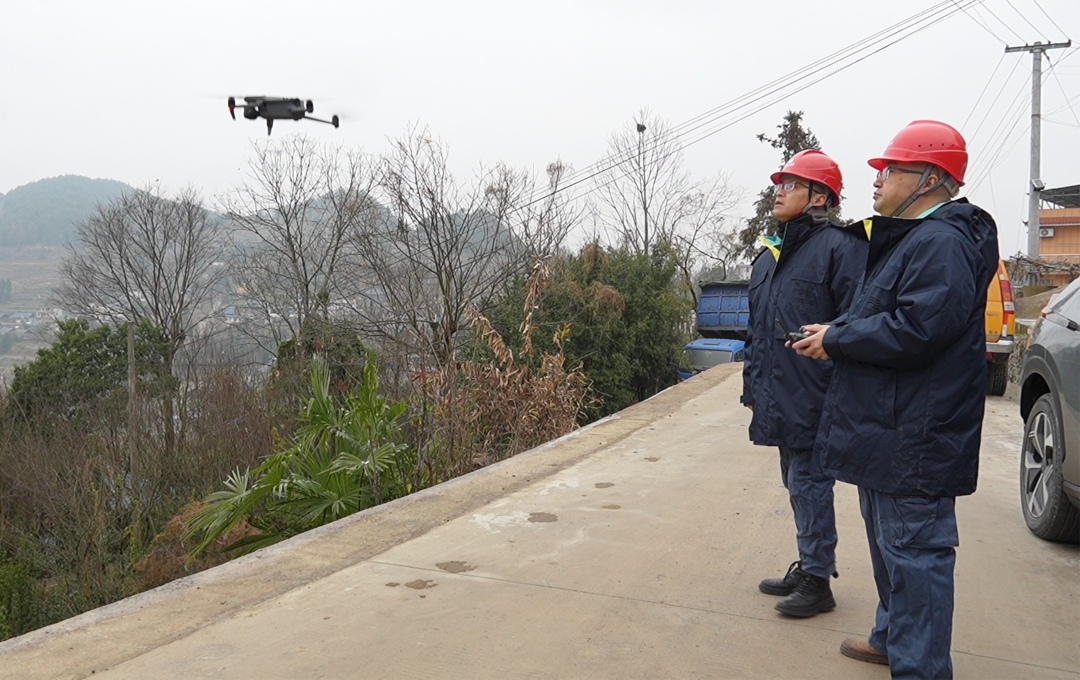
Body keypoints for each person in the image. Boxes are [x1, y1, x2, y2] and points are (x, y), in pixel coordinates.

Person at [793, 120, 998, 678]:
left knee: (915, 554)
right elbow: (892, 316)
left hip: (915, 435)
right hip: (888, 429)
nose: (878, 180)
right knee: (891, 546)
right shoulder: (913, 238)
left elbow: (918, 329)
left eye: (890, 170)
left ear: (929, 179)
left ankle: (920, 667)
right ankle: (891, 638)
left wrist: (838, 340)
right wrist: (837, 330)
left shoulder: (942, 242)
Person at [741, 149, 867, 618]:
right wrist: (753, 389)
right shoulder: (769, 257)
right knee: (794, 483)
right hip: (779, 393)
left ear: (818, 197)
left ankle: (818, 580)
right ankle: (810, 564)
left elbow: (857, 320)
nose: (779, 191)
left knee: (809, 483)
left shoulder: (840, 248)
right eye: (780, 183)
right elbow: (757, 332)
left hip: (818, 393)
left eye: (791, 184)